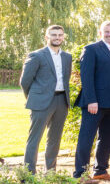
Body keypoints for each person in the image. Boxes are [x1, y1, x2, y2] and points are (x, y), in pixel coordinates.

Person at [73, 20, 110, 183]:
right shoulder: (91, 49)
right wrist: (91, 100)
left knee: (107, 137)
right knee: (86, 138)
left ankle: (100, 170)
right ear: (100, 33)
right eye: (106, 31)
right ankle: (80, 174)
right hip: (94, 103)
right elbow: (86, 77)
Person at [20, 24, 72, 174]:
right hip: (41, 102)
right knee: (34, 139)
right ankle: (28, 175)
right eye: (54, 35)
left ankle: (50, 173)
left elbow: (65, 79)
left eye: (60, 35)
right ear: (47, 37)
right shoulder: (36, 55)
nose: (57, 38)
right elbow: (25, 81)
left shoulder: (67, 57)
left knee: (55, 139)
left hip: (62, 101)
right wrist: (34, 98)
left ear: (63, 37)